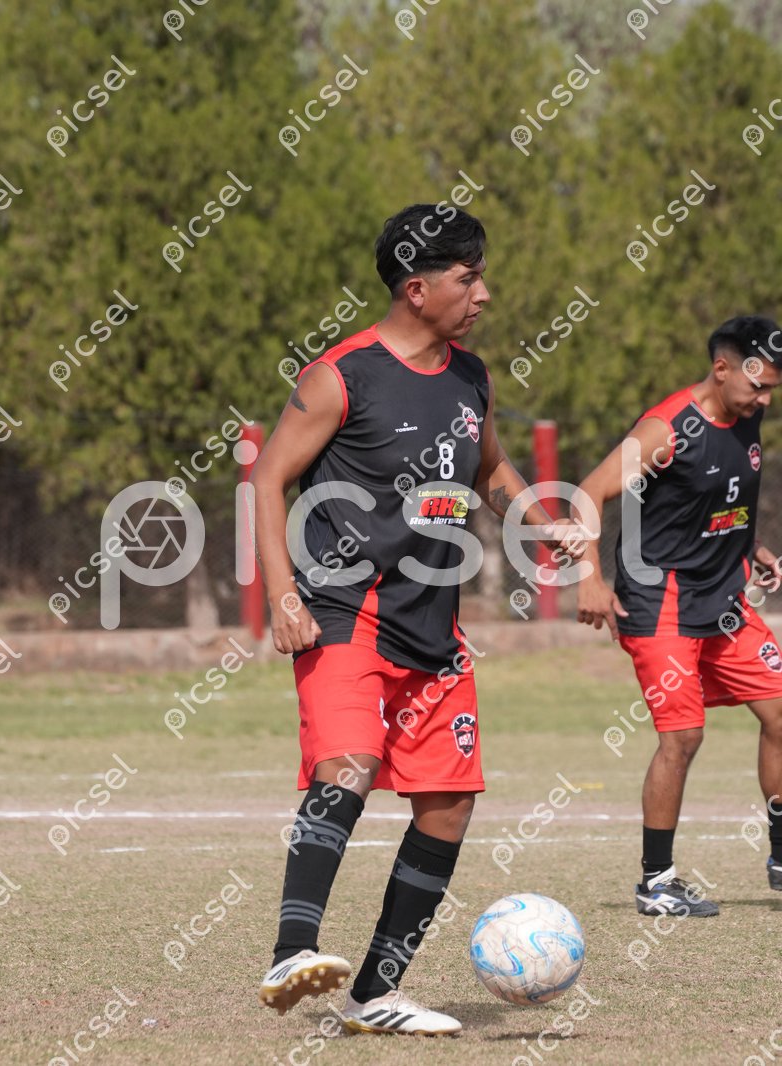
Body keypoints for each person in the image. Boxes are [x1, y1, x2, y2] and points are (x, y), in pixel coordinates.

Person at [251, 203, 583, 1035]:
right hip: (345, 613)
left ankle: (376, 992)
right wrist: (284, 596)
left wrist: (541, 521)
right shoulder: (341, 375)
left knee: (448, 804)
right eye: (468, 279)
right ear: (417, 288)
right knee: (350, 765)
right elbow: (266, 479)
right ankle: (293, 950)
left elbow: (492, 466)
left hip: (434, 627)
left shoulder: (472, 376)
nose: (483, 294)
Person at [575, 315, 782, 917]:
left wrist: (752, 546)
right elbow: (588, 492)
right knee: (683, 737)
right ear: (721, 369)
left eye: (772, 389)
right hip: (660, 603)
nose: (765, 400)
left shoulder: (747, 413)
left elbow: (717, 497)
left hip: (725, 601)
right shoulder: (665, 431)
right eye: (758, 386)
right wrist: (588, 578)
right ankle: (657, 882)